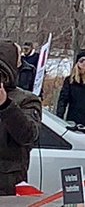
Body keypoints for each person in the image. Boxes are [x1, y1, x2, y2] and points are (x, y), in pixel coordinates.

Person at [0, 40, 40, 196]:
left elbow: (29, 135)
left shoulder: (26, 100)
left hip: (7, 189)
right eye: (18, 60)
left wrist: (5, 105)